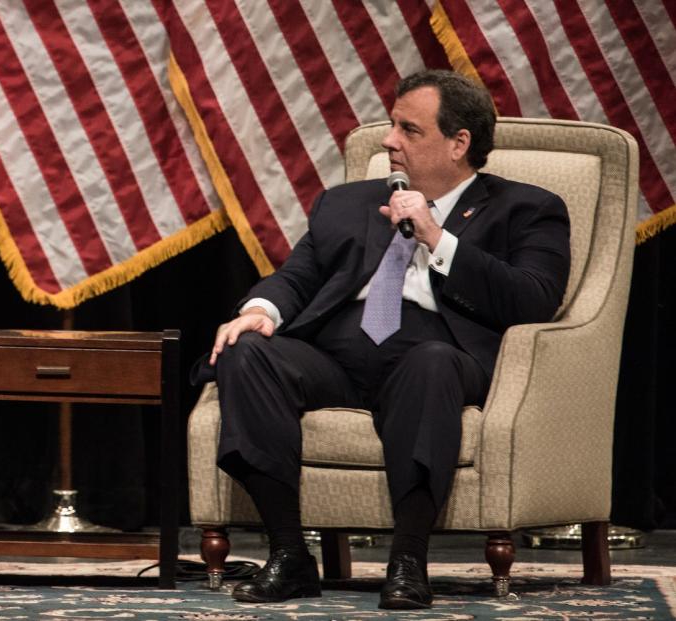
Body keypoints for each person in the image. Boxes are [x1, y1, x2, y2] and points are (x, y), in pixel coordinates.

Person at [205, 70, 570, 609]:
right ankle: (289, 555)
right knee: (246, 352)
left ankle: (407, 561)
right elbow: (298, 275)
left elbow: (534, 298)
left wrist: (435, 237)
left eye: (409, 129)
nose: (388, 140)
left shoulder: (528, 208)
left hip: (437, 357)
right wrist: (260, 310)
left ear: (458, 143)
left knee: (430, 363)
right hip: (336, 358)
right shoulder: (348, 203)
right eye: (393, 125)